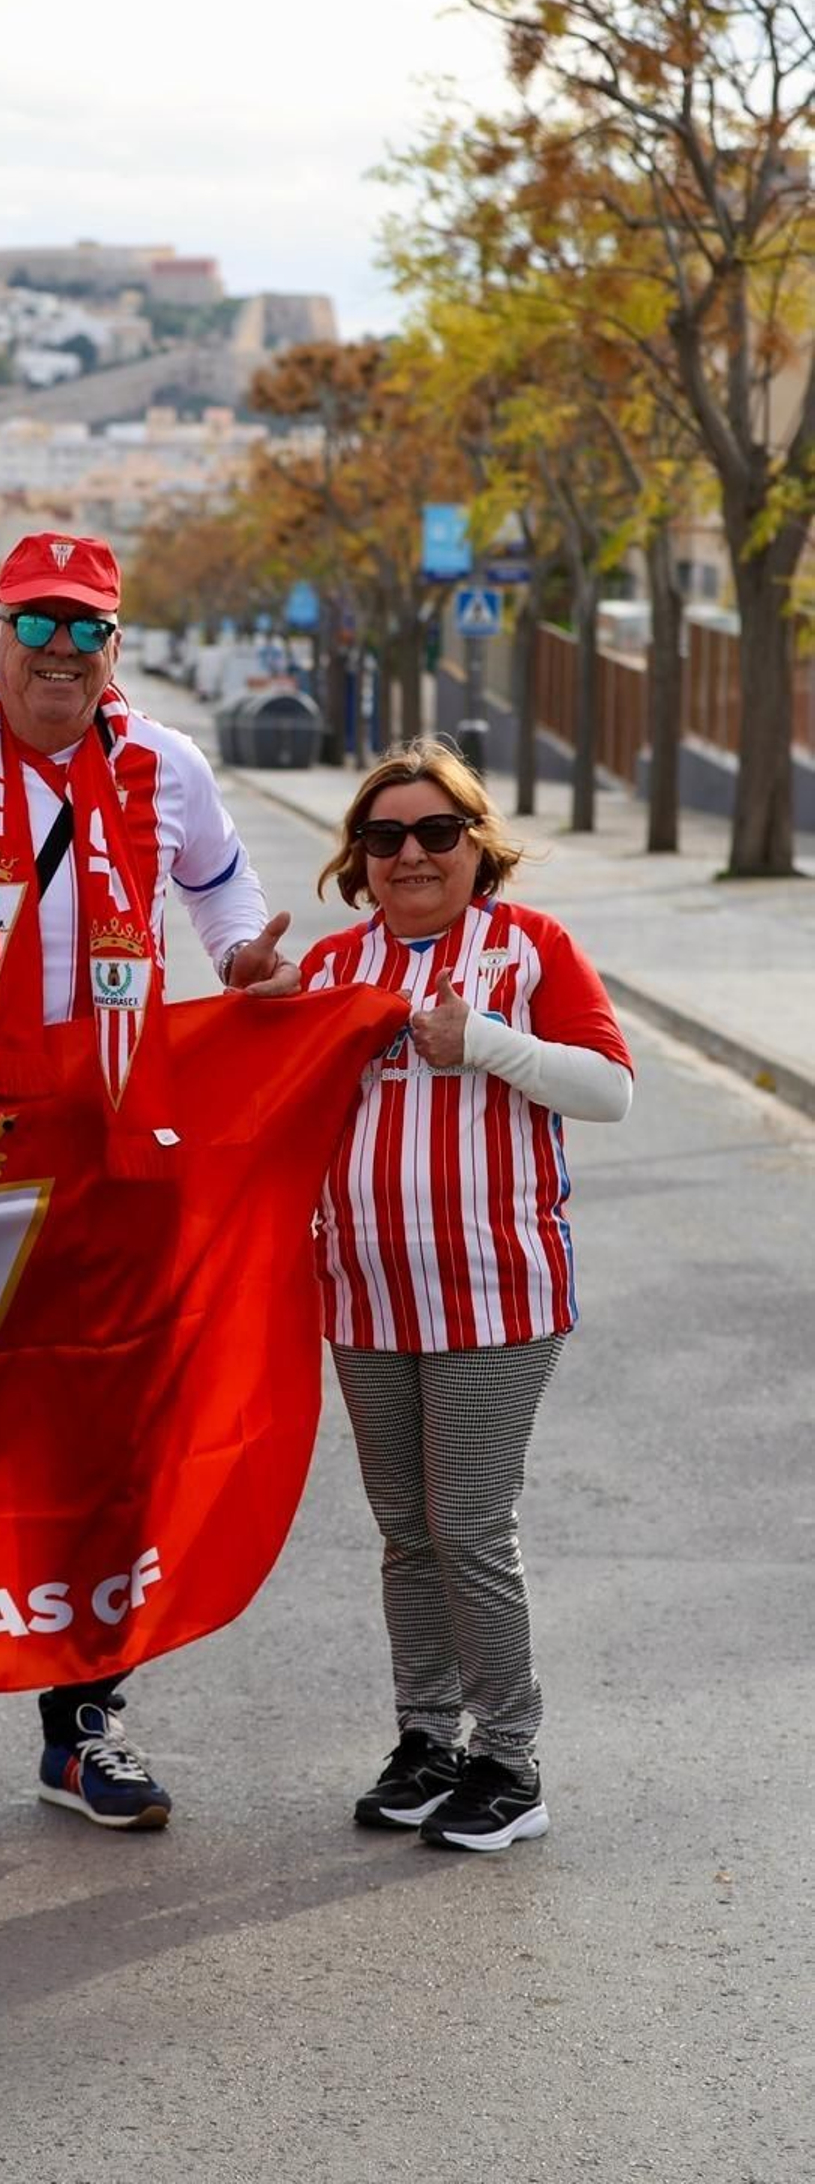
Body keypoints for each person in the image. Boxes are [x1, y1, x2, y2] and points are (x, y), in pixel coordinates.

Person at [0, 529, 302, 1831]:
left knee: (97, 1443)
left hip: (111, 1150)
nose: (60, 650)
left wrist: (247, 966)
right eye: (37, 624)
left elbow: (220, 896)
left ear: (116, 643)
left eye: (86, 627)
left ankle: (83, 1724)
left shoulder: (165, 763)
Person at [298, 738, 633, 1852]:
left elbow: (607, 1087)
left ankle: (510, 1758)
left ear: (476, 847)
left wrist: (483, 1042)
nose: (410, 853)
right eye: (384, 835)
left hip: (493, 1294)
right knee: (405, 1531)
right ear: (360, 856)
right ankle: (426, 1737)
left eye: (435, 832)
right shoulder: (334, 965)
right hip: (365, 1291)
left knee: (469, 1523)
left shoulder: (530, 948)